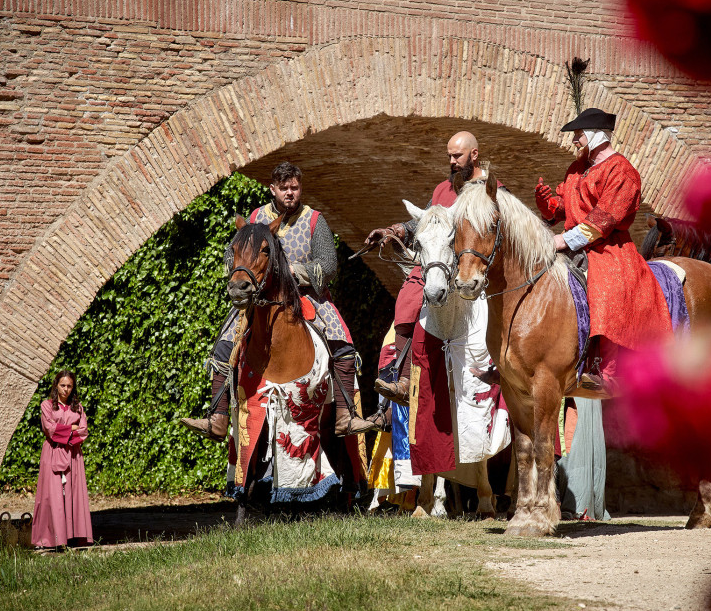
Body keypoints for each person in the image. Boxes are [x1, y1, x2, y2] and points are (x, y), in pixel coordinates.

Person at [182, 162, 380, 440]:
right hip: (259, 298)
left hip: (307, 296)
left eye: (295, 188)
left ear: (301, 188)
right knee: (224, 343)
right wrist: (239, 270)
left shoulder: (314, 220)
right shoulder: (255, 218)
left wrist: (290, 273)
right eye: (284, 188)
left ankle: (345, 416)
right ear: (273, 189)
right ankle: (217, 417)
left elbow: (328, 265)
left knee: (341, 339)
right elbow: (232, 253)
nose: (290, 193)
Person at [534, 108, 673, 396]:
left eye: (578, 134)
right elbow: (564, 208)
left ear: (595, 134)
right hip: (574, 242)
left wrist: (562, 241)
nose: (574, 139)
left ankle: (607, 371)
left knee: (607, 288)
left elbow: (604, 220)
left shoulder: (622, 171)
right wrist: (547, 203)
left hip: (609, 247)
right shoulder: (577, 169)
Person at [365, 131, 488, 404]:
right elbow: (423, 223)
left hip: (476, 270)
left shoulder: (491, 189)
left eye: (458, 156)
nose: (453, 162)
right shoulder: (442, 190)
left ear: (474, 154)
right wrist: (394, 230)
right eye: (450, 157)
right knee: (408, 298)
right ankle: (405, 379)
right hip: (437, 265)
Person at [31, 370, 93, 549]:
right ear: (56, 385)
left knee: (73, 493)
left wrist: (64, 431)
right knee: (52, 495)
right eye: (62, 385)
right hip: (52, 453)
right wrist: (70, 428)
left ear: (73, 388)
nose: (65, 389)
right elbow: (49, 429)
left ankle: (74, 536)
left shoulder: (78, 408)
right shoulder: (47, 405)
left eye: (69, 386)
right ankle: (50, 538)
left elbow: (83, 431)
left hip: (73, 455)